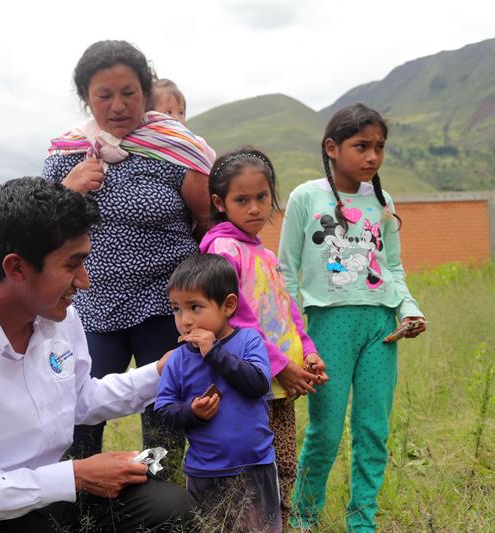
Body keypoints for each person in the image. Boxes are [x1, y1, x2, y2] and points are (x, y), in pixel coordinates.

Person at [0, 177, 191, 532]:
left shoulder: (59, 318)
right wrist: (76, 476)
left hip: (48, 492)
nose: (84, 281)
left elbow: (80, 398)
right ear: (16, 268)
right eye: (72, 265)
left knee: (169, 507)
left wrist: (163, 372)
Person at [42, 40, 214, 476]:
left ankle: (156, 495)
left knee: (164, 413)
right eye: (104, 95)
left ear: (146, 94)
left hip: (166, 304)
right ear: (86, 97)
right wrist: (70, 188)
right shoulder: (65, 156)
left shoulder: (176, 148)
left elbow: (207, 218)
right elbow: (34, 226)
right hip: (92, 305)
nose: (117, 105)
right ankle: (80, 500)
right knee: (79, 413)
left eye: (129, 92)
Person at [278, 103, 427, 532]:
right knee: (323, 432)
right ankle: (303, 518)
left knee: (372, 429)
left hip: (382, 328)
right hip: (328, 326)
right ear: (332, 147)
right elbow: (287, 270)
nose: (372, 157)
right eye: (361, 146)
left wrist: (409, 310)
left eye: (379, 147)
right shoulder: (306, 197)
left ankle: (362, 520)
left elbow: (393, 269)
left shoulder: (383, 201)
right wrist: (295, 336)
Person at [198, 146, 329, 525]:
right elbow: (236, 317)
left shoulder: (266, 255)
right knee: (249, 465)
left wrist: (307, 352)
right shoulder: (223, 250)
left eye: (262, 197)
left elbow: (288, 313)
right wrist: (278, 365)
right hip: (249, 379)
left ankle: (280, 523)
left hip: (282, 378)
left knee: (284, 462)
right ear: (220, 203)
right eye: (242, 200)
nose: (255, 208)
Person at [154, 253, 280, 532]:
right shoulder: (177, 359)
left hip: (255, 467)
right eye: (176, 309)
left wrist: (215, 353)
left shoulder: (248, 340)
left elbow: (258, 384)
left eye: (195, 307)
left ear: (228, 305)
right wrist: (191, 412)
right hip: (204, 473)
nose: (185, 320)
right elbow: (163, 411)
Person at [148, 78, 216, 162]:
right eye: (169, 112)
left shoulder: (196, 142)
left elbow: (212, 162)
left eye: (181, 113)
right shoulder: (145, 139)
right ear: (151, 115)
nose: (177, 118)